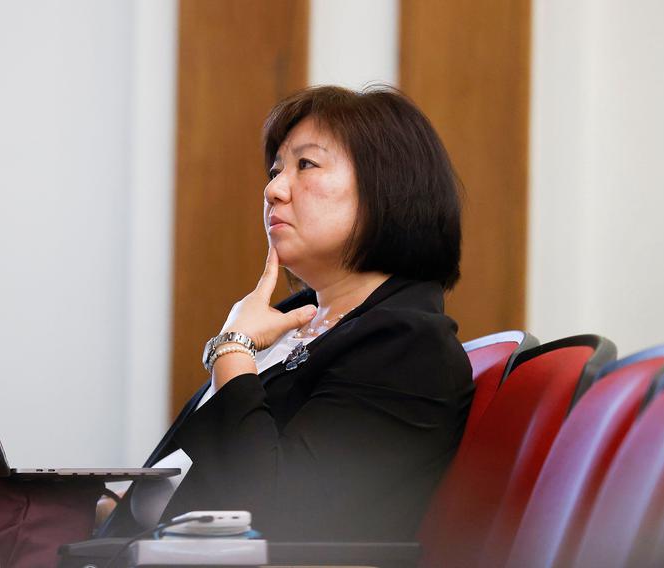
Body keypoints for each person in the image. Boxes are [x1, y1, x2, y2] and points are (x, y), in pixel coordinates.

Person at [98, 85, 473, 542]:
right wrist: (115, 514)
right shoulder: (292, 322)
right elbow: (182, 474)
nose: (273, 190)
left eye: (306, 165)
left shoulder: (407, 345)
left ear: (387, 188)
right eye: (276, 171)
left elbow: (275, 514)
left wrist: (231, 352)